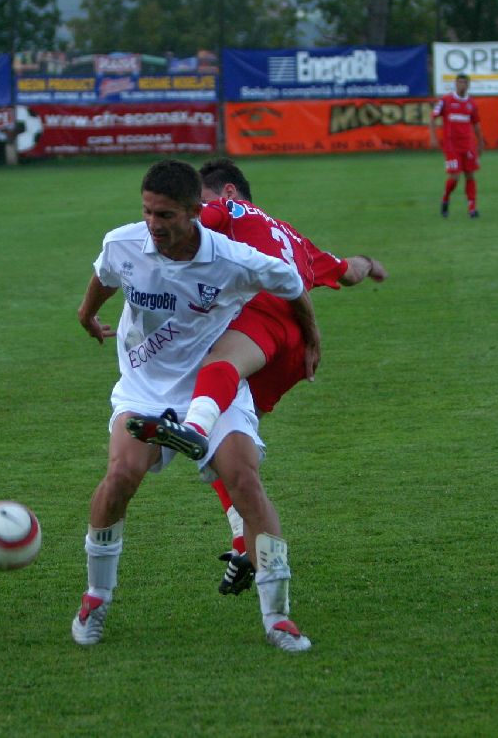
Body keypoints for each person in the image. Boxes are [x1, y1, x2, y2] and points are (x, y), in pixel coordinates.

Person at [74, 159, 315, 652]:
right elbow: (105, 275)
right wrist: (87, 317)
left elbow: (292, 284)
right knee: (120, 476)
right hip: (143, 388)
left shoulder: (233, 260)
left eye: (165, 216)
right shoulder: (124, 243)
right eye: (147, 213)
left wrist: (312, 338)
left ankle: (278, 617)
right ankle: (96, 598)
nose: (153, 225)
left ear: (194, 211)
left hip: (209, 387)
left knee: (244, 481)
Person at [130, 157, 388, 595]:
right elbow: (347, 271)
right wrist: (369, 261)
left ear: (227, 194)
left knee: (215, 380)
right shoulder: (296, 237)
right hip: (292, 351)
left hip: (261, 320)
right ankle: (244, 543)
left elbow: (184, 230)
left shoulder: (231, 210)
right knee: (231, 452)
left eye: (201, 202)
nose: (199, 211)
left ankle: (193, 434)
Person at [430, 73, 483, 218]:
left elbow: (476, 123)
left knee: (470, 174)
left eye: (464, 82)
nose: (462, 85)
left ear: (468, 85)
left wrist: (481, 141)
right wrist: (433, 137)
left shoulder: (471, 103)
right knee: (455, 176)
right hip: (451, 144)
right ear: (455, 84)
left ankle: (472, 208)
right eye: (459, 82)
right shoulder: (446, 100)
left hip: (468, 144)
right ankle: (445, 198)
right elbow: (433, 117)